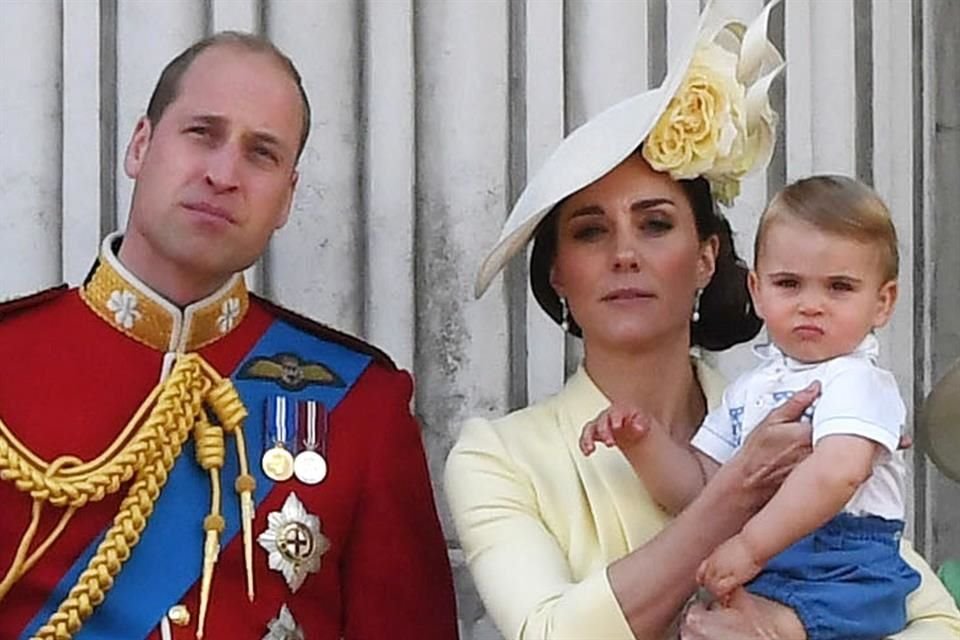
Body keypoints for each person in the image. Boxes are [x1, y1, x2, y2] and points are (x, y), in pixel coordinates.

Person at [444, 3, 960, 639]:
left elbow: (936, 622)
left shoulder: (802, 411)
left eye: (656, 223)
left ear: (707, 257)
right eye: (589, 231)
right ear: (557, 274)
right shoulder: (499, 457)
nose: (625, 253)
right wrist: (736, 491)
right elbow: (551, 633)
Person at [0, 32, 458, 640]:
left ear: (286, 198)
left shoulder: (360, 405)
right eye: (202, 134)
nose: (223, 174)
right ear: (141, 146)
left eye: (261, 153)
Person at [582, 175, 921, 639]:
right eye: (789, 284)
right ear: (757, 290)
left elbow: (837, 473)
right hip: (772, 565)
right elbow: (699, 485)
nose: (811, 305)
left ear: (883, 302)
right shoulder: (751, 387)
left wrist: (750, 546)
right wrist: (641, 441)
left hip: (842, 563)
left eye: (839, 287)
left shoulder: (859, 380)